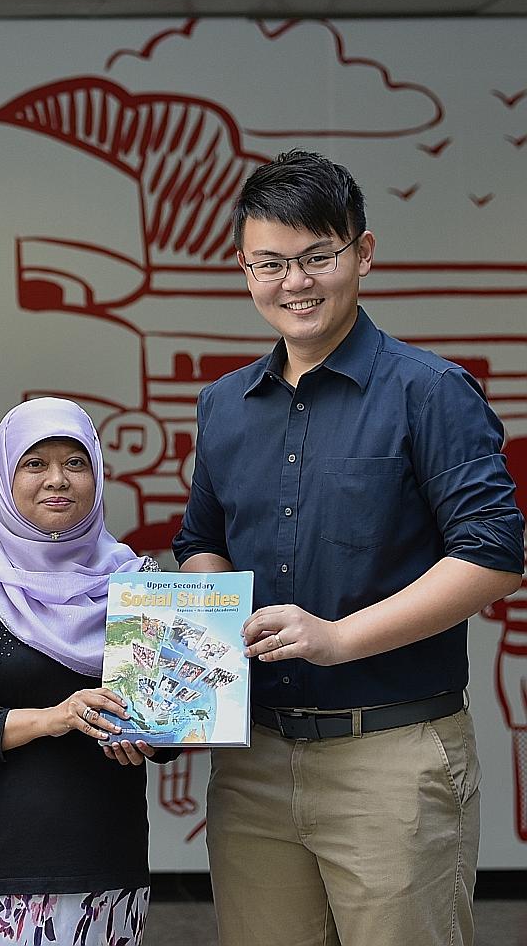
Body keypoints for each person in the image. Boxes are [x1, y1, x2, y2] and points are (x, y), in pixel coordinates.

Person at [173, 149, 524, 946]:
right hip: (255, 756)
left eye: (315, 258)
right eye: (270, 263)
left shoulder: (430, 390)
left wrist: (339, 638)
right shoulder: (224, 405)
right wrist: (211, 616)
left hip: (393, 756)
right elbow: (200, 541)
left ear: (362, 254)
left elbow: (493, 553)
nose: (293, 282)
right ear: (244, 269)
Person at [0, 397, 176, 946]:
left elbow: (172, 729)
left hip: (107, 866)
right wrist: (54, 718)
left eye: (75, 463)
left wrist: (152, 735)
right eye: (35, 464)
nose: (57, 480)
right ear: (5, 478)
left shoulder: (141, 587)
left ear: (98, 476)